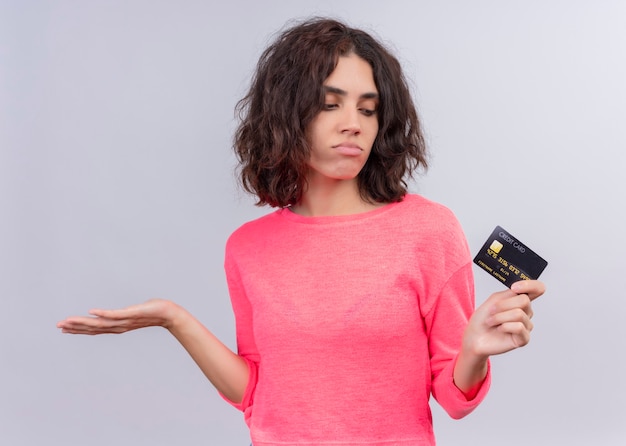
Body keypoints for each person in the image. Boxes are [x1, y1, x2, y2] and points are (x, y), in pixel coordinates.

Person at [57, 17, 546, 446]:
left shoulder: (428, 229)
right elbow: (256, 393)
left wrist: (475, 350)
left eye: (368, 108)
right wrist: (172, 318)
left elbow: (453, 398)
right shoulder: (246, 248)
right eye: (330, 105)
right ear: (288, 115)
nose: (353, 124)